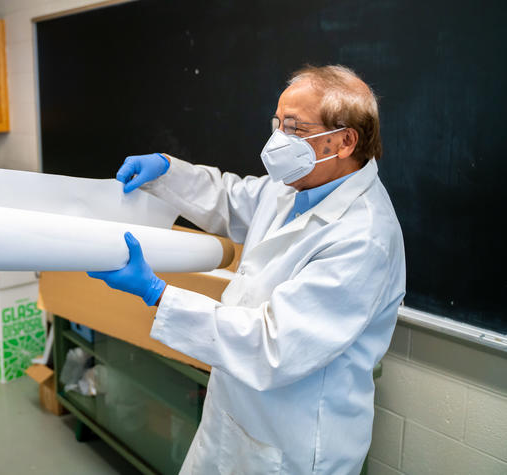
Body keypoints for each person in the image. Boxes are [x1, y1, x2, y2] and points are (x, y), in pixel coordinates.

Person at [88, 65, 406, 474]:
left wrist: (158, 293)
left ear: (344, 141)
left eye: (294, 127)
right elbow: (231, 199)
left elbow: (272, 347)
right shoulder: (298, 186)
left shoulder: (363, 237)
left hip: (291, 438)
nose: (277, 140)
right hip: (237, 415)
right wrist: (169, 170)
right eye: (277, 123)